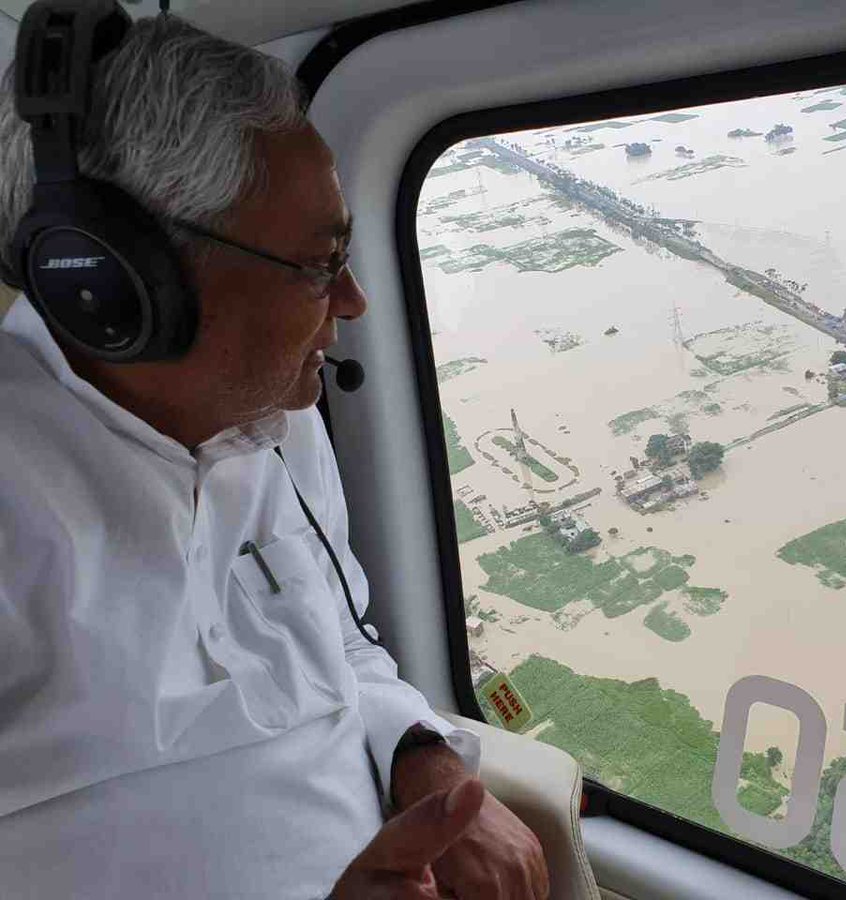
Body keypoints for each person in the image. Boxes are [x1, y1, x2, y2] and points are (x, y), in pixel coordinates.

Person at [0, 11, 548, 900]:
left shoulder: (277, 425)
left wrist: (427, 761)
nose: (357, 300)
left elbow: (344, 649)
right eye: (321, 261)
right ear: (116, 281)